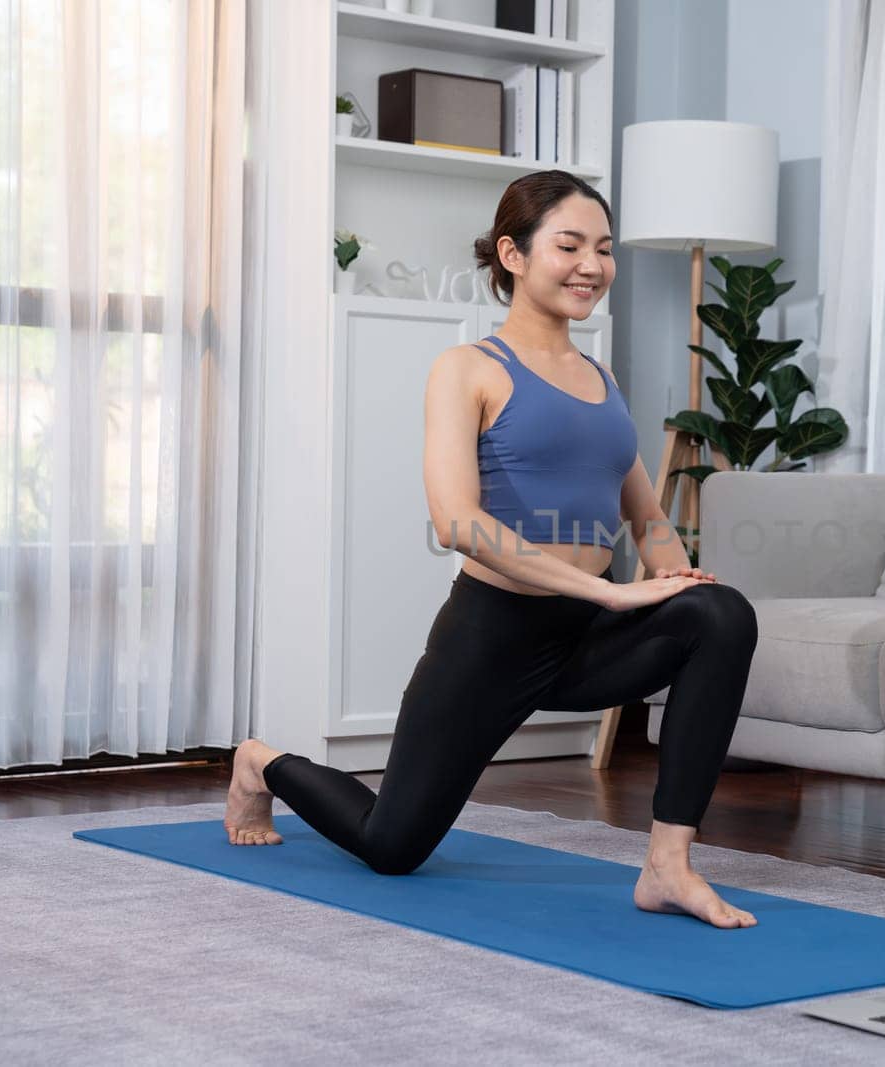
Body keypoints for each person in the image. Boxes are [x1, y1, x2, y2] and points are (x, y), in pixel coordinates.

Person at [223, 170, 762, 929]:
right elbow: (456, 520)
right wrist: (610, 591)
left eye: (603, 250)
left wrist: (674, 575)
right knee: (392, 844)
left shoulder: (602, 380)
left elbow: (645, 514)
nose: (592, 265)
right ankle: (262, 762)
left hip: (585, 641)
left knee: (722, 614)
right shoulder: (468, 369)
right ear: (512, 253)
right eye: (569, 245)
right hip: (491, 639)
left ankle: (667, 866)